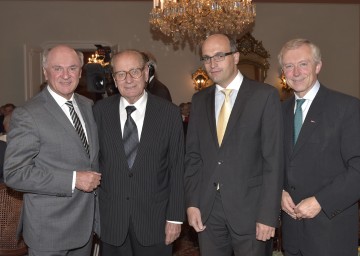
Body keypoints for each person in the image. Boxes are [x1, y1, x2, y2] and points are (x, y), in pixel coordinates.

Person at [184, 33, 284, 256]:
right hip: (208, 211)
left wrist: (268, 215)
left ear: (236, 57)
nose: (212, 63)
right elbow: (193, 157)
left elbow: (273, 160)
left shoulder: (264, 96)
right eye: (207, 58)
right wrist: (192, 203)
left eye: (219, 56)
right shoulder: (199, 100)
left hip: (251, 212)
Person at [4, 45, 101, 256]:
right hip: (49, 231)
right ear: (45, 71)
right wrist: (73, 179)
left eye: (72, 68)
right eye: (58, 68)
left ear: (81, 72)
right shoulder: (28, 114)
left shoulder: (88, 106)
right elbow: (14, 173)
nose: (66, 75)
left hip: (85, 227)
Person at [93, 49, 185, 256]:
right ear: (114, 80)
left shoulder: (169, 113)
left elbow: (178, 167)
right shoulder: (99, 112)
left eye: (134, 71)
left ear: (146, 73)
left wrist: (175, 218)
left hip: (156, 221)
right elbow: (93, 163)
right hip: (112, 222)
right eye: (121, 74)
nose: (128, 79)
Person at [279, 38, 360, 256]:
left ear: (318, 66)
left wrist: (321, 202)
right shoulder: (279, 112)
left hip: (331, 233)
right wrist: (278, 191)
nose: (296, 72)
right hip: (292, 233)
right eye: (289, 66)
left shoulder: (347, 108)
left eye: (303, 64)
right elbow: (271, 161)